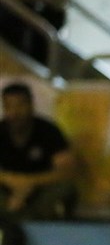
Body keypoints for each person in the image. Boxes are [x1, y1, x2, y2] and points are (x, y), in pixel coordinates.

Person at [0, 81, 76, 219]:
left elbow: (66, 171)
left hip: (41, 189)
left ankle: (35, 221)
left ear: (31, 105)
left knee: (66, 188)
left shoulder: (48, 131)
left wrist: (30, 181)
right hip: (7, 189)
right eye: (9, 106)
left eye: (20, 105)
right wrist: (11, 180)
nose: (14, 112)